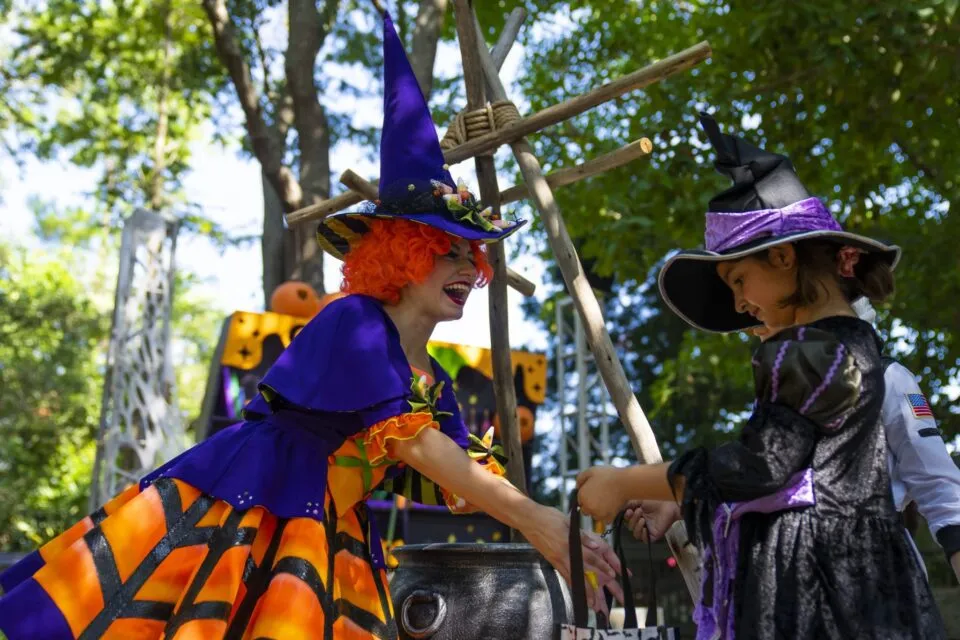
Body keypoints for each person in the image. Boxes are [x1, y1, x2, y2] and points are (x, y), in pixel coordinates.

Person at [0, 12, 621, 639]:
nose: (468, 267)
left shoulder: (433, 380)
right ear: (401, 255)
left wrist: (557, 521)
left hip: (327, 525)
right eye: (447, 248)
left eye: (473, 255)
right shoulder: (353, 322)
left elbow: (455, 471)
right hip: (247, 507)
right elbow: (413, 444)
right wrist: (535, 519)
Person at [576, 113, 946, 639]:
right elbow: (795, 474)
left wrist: (625, 481)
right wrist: (678, 496)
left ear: (781, 256)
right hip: (858, 585)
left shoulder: (811, 352)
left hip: (817, 597)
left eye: (738, 279)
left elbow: (762, 465)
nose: (738, 303)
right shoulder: (844, 345)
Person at [625, 298, 960, 585]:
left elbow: (942, 492)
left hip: (873, 586)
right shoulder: (771, 409)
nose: (755, 327)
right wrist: (681, 504)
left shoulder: (889, 379)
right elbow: (767, 497)